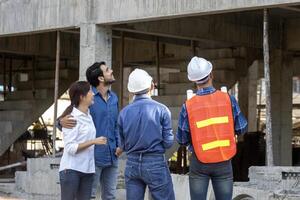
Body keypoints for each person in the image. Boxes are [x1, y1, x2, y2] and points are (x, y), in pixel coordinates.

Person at [176, 57, 248, 200]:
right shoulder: (228, 99)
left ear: (194, 80)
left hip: (199, 162)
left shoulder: (188, 105)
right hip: (223, 160)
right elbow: (241, 128)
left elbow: (182, 140)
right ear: (211, 75)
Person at [59, 62, 122, 199]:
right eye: (107, 70)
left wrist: (119, 145)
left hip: (112, 155)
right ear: (100, 78)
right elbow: (70, 116)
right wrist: (61, 121)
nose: (111, 71)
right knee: (90, 196)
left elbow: (115, 125)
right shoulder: (87, 98)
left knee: (110, 196)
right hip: (94, 157)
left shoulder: (114, 98)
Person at [118, 69, 175, 200]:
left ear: (131, 90)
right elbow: (168, 142)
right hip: (155, 162)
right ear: (151, 86)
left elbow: (122, 144)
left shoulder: (123, 113)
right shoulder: (161, 109)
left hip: (131, 163)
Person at [59, 81, 107, 200]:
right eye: (90, 91)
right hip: (71, 170)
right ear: (82, 97)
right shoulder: (71, 118)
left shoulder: (88, 116)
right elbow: (70, 148)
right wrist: (93, 141)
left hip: (87, 169)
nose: (93, 94)